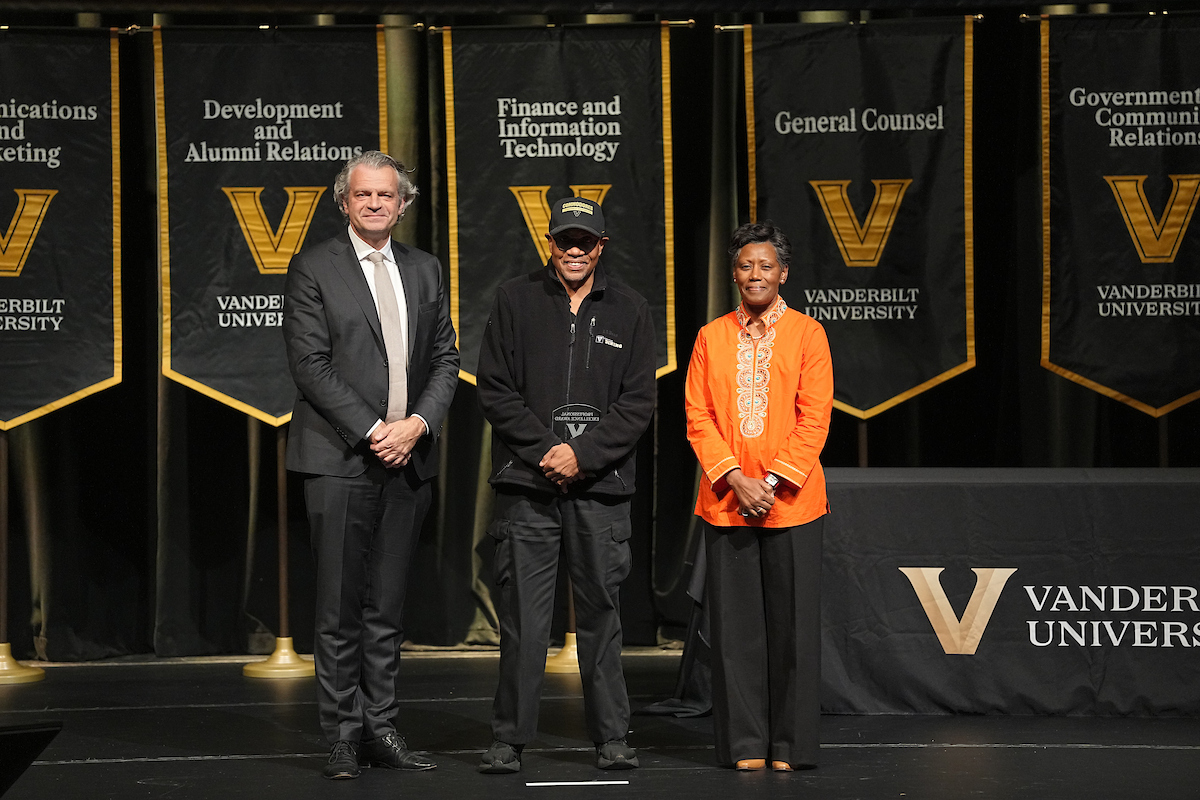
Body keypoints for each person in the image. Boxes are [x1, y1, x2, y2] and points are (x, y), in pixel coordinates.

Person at [283, 150, 459, 780]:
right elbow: (311, 366)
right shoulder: (313, 268)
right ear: (345, 202)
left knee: (386, 607)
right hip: (340, 460)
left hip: (408, 459)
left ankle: (381, 724)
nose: (377, 204)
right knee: (337, 608)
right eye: (365, 196)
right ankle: (340, 732)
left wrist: (417, 424)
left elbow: (445, 358)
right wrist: (374, 429)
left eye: (388, 196)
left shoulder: (425, 268)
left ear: (403, 204)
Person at [476, 196, 656, 774]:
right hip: (528, 488)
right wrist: (545, 453)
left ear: (602, 246)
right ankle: (510, 737)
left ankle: (610, 736)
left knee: (602, 615)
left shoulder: (629, 308)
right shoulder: (514, 299)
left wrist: (581, 456)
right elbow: (495, 389)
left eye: (585, 241)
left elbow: (638, 402)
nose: (574, 250)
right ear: (548, 243)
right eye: (564, 240)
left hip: (600, 489)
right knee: (524, 620)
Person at [683, 221, 833, 772]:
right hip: (726, 502)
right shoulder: (710, 336)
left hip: (792, 504)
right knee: (736, 635)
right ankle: (745, 744)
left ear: (783, 273)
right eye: (746, 265)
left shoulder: (808, 335)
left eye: (765, 266)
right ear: (734, 273)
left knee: (792, 630)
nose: (755, 275)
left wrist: (768, 483)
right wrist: (735, 479)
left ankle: (790, 746)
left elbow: (814, 418)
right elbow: (698, 416)